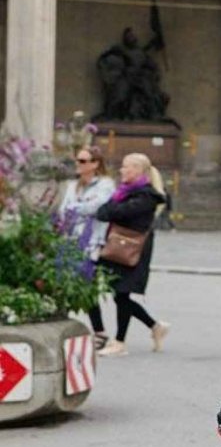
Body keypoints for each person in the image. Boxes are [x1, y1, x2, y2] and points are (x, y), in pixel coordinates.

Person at [94, 152, 169, 356]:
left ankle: (119, 342)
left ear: (138, 170)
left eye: (127, 166)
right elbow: (102, 213)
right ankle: (155, 326)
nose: (122, 170)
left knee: (122, 293)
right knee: (120, 295)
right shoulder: (123, 193)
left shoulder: (147, 196)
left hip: (132, 250)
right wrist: (114, 207)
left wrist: (113, 208)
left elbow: (117, 213)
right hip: (118, 247)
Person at [55, 144, 116, 347]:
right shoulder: (73, 185)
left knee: (86, 284)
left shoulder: (105, 184)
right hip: (70, 240)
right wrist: (77, 209)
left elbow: (96, 207)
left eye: (82, 161)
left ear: (95, 164)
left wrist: (75, 209)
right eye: (77, 160)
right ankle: (61, 323)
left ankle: (99, 331)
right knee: (63, 281)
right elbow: (63, 210)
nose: (78, 164)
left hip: (92, 242)